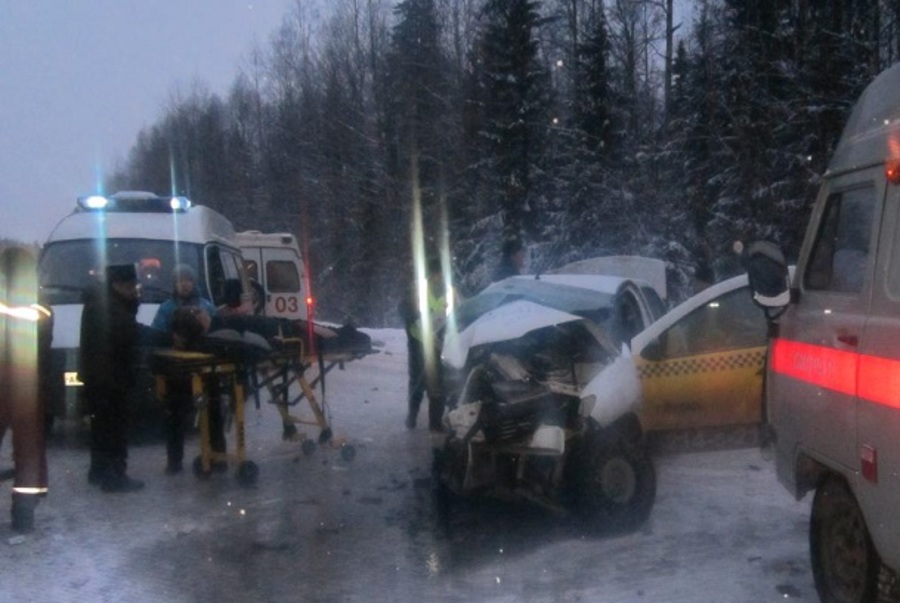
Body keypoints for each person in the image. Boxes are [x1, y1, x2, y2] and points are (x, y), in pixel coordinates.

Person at [151, 264, 225, 475]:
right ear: (174, 284)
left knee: (213, 414)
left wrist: (208, 324)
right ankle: (174, 462)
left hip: (207, 370)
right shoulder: (166, 308)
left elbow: (219, 333)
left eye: (188, 280)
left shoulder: (207, 306)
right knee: (175, 416)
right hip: (178, 371)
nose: (184, 284)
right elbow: (157, 334)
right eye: (180, 280)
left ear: (194, 283)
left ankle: (219, 457)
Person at [80, 263, 145, 492]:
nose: (134, 290)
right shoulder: (109, 307)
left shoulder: (100, 301)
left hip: (99, 377)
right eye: (131, 286)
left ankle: (98, 471)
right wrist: (170, 338)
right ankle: (115, 476)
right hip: (112, 379)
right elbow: (129, 330)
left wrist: (132, 302)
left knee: (101, 428)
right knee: (114, 429)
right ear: (118, 285)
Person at [0, 247, 52, 532]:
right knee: (29, 451)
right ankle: (23, 515)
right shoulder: (39, 307)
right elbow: (43, 345)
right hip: (26, 386)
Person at [399, 258, 449, 431]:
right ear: (433, 273)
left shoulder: (446, 292)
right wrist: (418, 318)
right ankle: (412, 416)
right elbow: (405, 309)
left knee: (437, 383)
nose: (441, 277)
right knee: (418, 381)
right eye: (439, 274)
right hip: (418, 343)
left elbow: (450, 313)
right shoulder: (418, 290)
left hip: (436, 343)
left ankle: (435, 423)